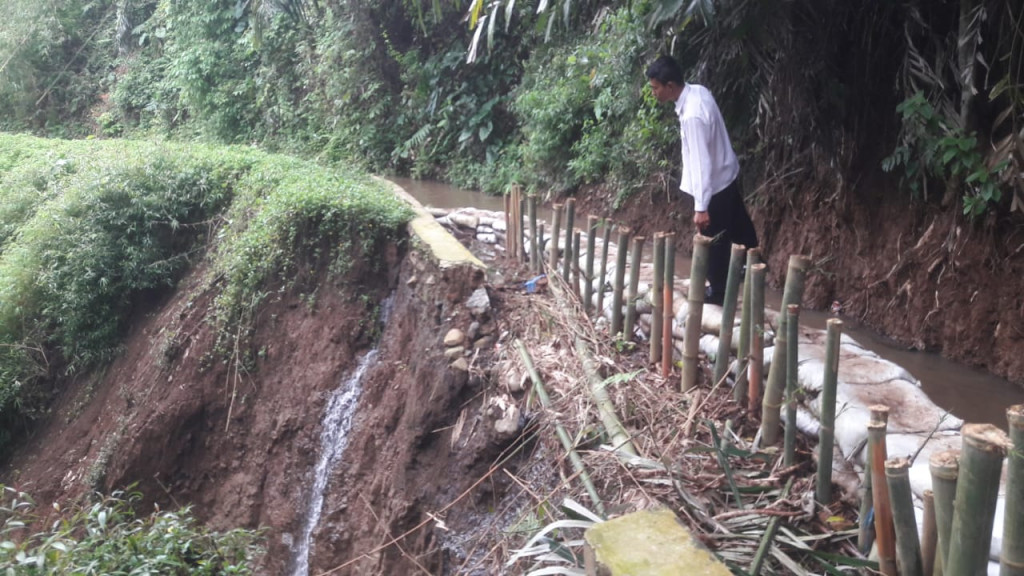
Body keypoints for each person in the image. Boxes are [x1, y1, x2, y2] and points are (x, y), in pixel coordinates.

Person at [645, 55, 759, 305]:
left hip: (714, 186)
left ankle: (718, 293)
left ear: (670, 86)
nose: (653, 93)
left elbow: (701, 163)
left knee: (715, 243)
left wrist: (701, 207)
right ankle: (754, 268)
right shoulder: (698, 92)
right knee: (739, 226)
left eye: (655, 88)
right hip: (725, 175)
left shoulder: (692, 116)